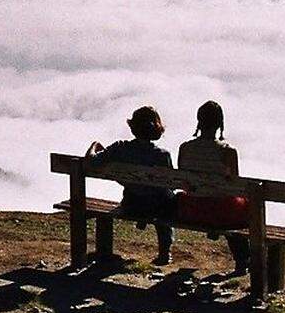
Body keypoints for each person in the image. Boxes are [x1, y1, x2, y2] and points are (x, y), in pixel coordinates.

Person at [85, 106, 175, 265]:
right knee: (167, 199)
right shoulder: (162, 155)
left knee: (154, 197)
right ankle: (164, 253)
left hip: (131, 204)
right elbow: (170, 184)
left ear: (133, 127)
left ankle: (104, 252)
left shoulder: (120, 148)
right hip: (157, 208)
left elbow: (90, 161)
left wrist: (95, 145)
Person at [176, 100, 251, 275]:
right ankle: (243, 260)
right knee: (245, 205)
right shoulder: (228, 151)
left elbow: (182, 181)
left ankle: (243, 260)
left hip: (190, 210)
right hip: (221, 213)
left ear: (199, 121)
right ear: (220, 123)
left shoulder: (185, 148)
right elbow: (235, 185)